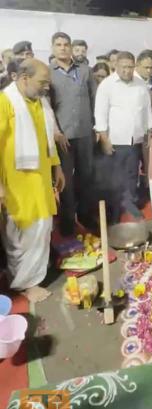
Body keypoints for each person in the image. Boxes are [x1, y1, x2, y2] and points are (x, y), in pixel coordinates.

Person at [0, 59, 66, 303]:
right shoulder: (5, 102)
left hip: (39, 181)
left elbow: (47, 139)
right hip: (18, 186)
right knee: (21, 234)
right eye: (42, 82)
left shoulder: (38, 102)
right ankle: (25, 285)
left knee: (40, 229)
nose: (46, 87)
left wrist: (57, 167)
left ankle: (31, 277)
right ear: (24, 78)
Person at [94, 51, 152, 223]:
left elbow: (146, 109)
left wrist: (149, 130)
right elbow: (100, 114)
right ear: (116, 66)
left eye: (130, 67)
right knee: (114, 177)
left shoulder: (140, 84)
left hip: (135, 139)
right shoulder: (107, 85)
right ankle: (115, 211)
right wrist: (104, 138)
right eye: (123, 67)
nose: (127, 71)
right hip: (115, 140)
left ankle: (130, 205)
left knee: (132, 174)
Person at [48, 32, 97, 235]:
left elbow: (95, 100)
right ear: (52, 48)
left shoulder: (85, 71)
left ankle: (85, 215)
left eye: (66, 44)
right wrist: (55, 131)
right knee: (65, 181)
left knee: (86, 177)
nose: (63, 48)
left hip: (85, 134)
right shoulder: (48, 73)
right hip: (63, 137)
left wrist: (97, 128)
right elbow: (46, 107)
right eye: (58, 45)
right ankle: (68, 221)